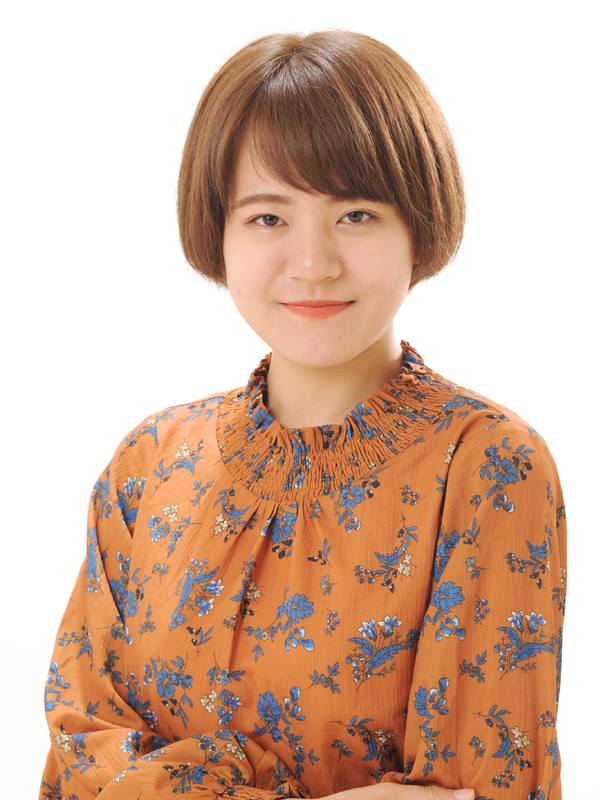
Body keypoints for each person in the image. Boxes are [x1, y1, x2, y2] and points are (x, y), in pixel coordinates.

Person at [39, 30, 567, 800]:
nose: (313, 263)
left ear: (418, 226)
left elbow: (481, 788)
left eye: (355, 214)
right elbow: (80, 760)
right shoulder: (148, 463)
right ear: (218, 231)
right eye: (267, 218)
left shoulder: (485, 466)